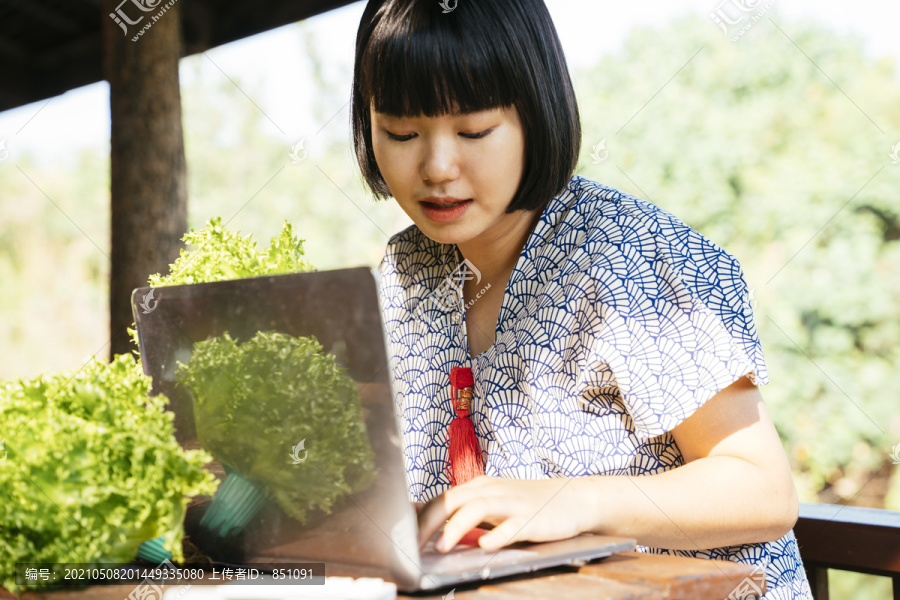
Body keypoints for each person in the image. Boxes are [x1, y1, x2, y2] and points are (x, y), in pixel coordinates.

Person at [352, 1, 813, 598]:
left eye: (474, 131)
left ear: (538, 114)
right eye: (401, 133)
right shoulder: (404, 270)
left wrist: (578, 501)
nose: (437, 166)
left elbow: (763, 491)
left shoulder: (634, 256)